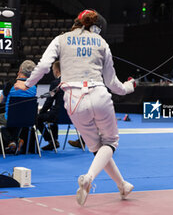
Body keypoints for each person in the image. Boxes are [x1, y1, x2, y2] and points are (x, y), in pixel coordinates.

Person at [15, 10, 135, 205]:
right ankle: (91, 178)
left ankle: (122, 185)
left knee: (97, 147)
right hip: (99, 95)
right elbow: (114, 85)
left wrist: (27, 84)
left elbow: (44, 65)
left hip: (74, 100)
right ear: (95, 27)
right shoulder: (101, 42)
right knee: (110, 142)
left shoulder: (60, 39)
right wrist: (130, 86)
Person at [0, 60, 37, 153]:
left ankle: (11, 141)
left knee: (6, 118)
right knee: (18, 118)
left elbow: (1, 101)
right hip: (27, 119)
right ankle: (18, 139)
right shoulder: (34, 87)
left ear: (20, 70)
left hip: (11, 118)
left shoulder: (11, 84)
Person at [37, 61, 63, 151]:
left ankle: (51, 141)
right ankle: (54, 140)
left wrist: (42, 112)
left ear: (56, 71)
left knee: (38, 118)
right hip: (70, 116)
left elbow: (49, 101)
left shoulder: (56, 83)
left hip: (57, 115)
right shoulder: (70, 83)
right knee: (53, 113)